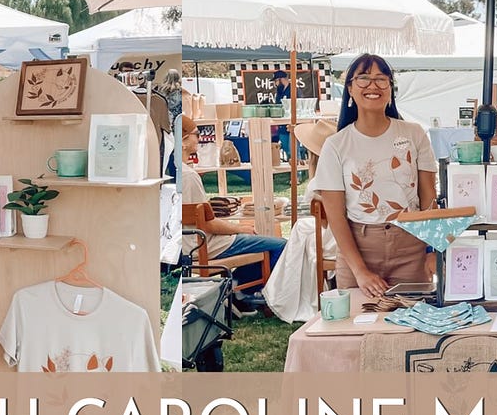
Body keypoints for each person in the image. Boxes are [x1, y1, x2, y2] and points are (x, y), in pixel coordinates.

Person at [314, 54, 437, 299]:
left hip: (411, 249)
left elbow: (429, 200)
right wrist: (360, 271)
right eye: (364, 78)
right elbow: (336, 217)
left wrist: (432, 250)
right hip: (358, 251)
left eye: (382, 79)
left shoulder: (415, 134)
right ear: (349, 88)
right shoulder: (336, 145)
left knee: (411, 327)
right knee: (356, 327)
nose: (373, 86)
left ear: (391, 88)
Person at [179, 115, 285, 300]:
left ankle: (236, 287)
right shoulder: (189, 177)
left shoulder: (171, 174)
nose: (199, 138)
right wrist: (238, 228)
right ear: (183, 141)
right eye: (196, 134)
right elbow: (208, 224)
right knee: (280, 246)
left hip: (185, 245)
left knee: (257, 240)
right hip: (203, 244)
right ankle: (246, 291)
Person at [262, 118, 340, 321]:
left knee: (301, 231)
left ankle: (284, 294)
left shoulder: (318, 182)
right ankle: (283, 293)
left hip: (335, 241)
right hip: (346, 235)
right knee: (302, 230)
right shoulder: (344, 174)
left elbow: (323, 222)